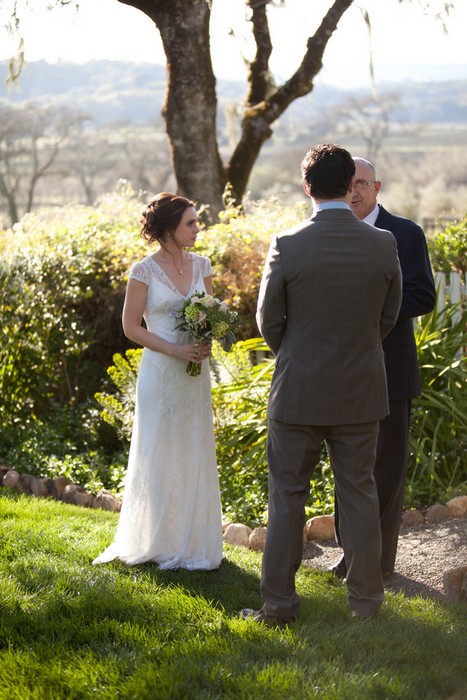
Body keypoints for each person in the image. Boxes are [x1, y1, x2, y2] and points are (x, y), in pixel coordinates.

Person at [240, 143, 402, 624]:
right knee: (359, 494)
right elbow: (387, 317)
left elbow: (268, 321)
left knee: (287, 496)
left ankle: (278, 604)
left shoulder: (287, 244)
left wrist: (300, 352)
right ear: (350, 186)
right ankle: (366, 605)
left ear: (307, 186)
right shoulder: (383, 243)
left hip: (299, 391)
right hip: (360, 389)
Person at [93, 192, 223, 570]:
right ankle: (156, 538)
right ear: (169, 228)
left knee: (193, 447)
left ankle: (195, 540)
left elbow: (211, 315)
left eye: (197, 222)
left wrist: (206, 341)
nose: (198, 228)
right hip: (161, 374)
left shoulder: (203, 265)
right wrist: (174, 349)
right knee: (159, 449)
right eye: (191, 223)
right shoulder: (143, 270)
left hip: (194, 375)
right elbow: (131, 327)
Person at [329, 157, 436, 580]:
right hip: (339, 371)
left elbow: (423, 296)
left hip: (391, 368)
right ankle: (349, 553)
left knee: (386, 469)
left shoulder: (405, 234)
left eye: (361, 183)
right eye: (347, 184)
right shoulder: (330, 231)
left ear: (378, 187)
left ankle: (380, 561)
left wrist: (369, 315)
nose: (353, 191)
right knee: (346, 465)